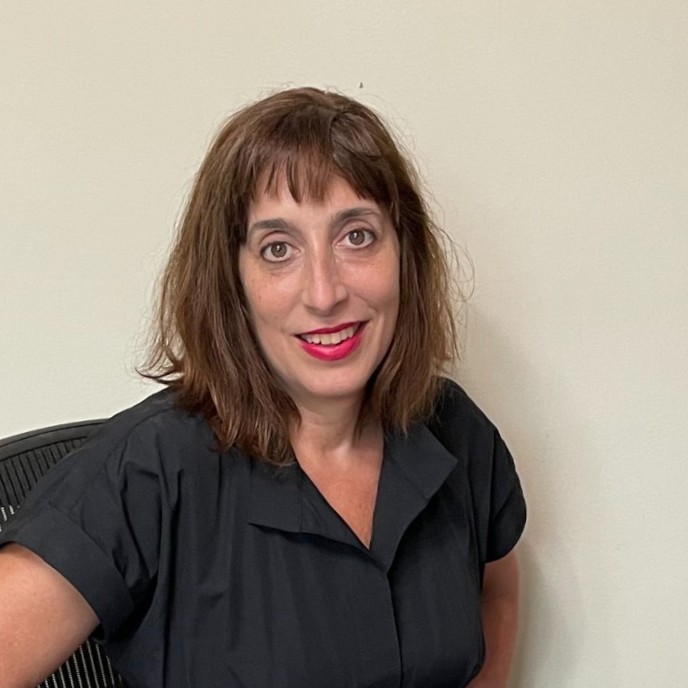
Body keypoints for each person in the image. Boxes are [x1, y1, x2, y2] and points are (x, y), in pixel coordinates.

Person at [0, 87, 526, 687]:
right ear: (233, 282)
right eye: (279, 249)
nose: (324, 292)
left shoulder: (454, 429)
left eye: (357, 235)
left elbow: (498, 590)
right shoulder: (144, 472)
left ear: (406, 253)